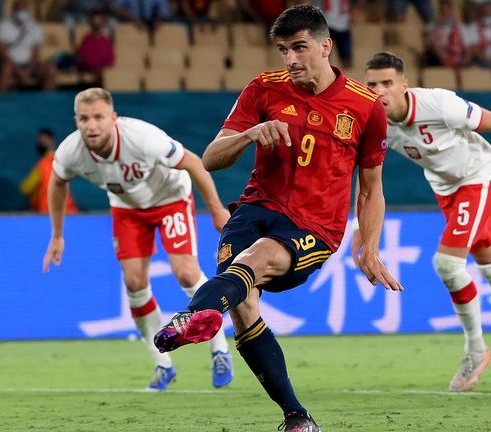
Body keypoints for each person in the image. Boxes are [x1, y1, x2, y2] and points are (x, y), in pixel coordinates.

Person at [152, 5, 403, 431]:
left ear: (326, 46)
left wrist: (371, 247)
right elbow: (211, 158)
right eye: (284, 50)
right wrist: (249, 133)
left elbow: (371, 187)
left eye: (300, 48)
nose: (290, 60)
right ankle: (297, 417)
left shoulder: (364, 106)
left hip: (313, 228)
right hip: (253, 210)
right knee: (243, 303)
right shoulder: (264, 89)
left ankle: (191, 315)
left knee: (254, 260)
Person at [42, 87, 235, 391]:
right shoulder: (71, 151)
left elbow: (194, 162)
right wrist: (57, 235)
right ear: (76, 121)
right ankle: (163, 364)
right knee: (134, 282)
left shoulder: (143, 138)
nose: (91, 125)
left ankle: (219, 349)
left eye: (98, 117)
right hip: (127, 210)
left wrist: (215, 209)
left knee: (185, 271)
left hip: (171, 198)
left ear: (113, 118)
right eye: (83, 118)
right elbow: (57, 182)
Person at [361, 51, 491, 392]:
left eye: (388, 83)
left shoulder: (438, 104)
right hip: (446, 188)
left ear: (404, 86)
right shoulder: (376, 124)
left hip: (479, 174)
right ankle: (476, 350)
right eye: (372, 84)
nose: (380, 91)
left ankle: (475, 350)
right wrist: (361, 239)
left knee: (448, 265)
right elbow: (368, 181)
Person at [0, 0, 57, 92]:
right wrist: (18, 70)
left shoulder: (35, 26)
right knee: (6, 70)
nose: (22, 13)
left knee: (50, 70)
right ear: (13, 10)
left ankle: (47, 101)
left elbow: (36, 51)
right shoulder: (3, 25)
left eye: (24, 10)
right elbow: (2, 51)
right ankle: (0, 100)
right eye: (20, 10)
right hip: (10, 64)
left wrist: (29, 69)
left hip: (29, 64)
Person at [20, 128, 79, 214]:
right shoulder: (62, 161)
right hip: (69, 212)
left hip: (49, 213)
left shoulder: (42, 165)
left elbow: (25, 189)